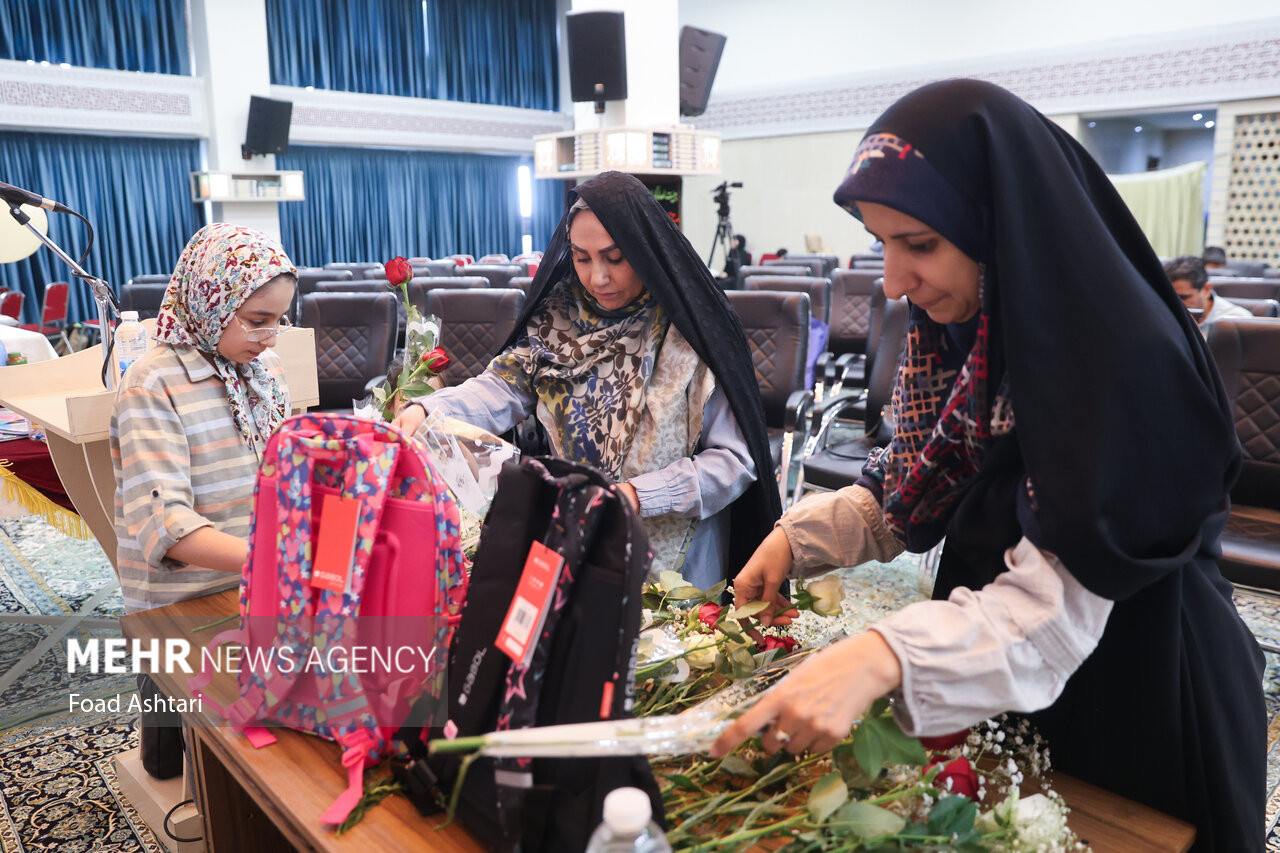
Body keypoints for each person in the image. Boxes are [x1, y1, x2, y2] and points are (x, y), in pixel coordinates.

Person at [714, 80, 1264, 851]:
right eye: (882, 244)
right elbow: (907, 487)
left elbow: (1055, 612)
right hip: (987, 657)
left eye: (920, 244)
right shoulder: (966, 325)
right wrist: (797, 539)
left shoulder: (1117, 357)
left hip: (1136, 676)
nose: (894, 282)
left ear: (1000, 226)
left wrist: (881, 653)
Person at [393, 171, 778, 588]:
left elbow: (734, 462)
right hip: (577, 543)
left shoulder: (694, 329)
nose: (598, 278)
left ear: (647, 251)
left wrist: (637, 497)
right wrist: (428, 407)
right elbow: (501, 387)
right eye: (582, 258)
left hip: (676, 568)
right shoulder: (557, 319)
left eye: (616, 258)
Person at [110, 222, 296, 777]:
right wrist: (273, 559)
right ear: (209, 302)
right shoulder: (153, 382)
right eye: (257, 320)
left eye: (280, 321)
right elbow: (163, 522)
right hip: (180, 594)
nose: (270, 335)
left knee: (257, 732)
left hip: (255, 579)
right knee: (171, 745)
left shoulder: (262, 371)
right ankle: (167, 756)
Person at [1166, 254, 1251, 335]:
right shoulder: (1163, 316)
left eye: (1184, 297)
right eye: (1170, 299)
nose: (1176, 304)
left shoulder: (1237, 321)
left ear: (1207, 289)